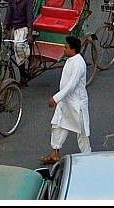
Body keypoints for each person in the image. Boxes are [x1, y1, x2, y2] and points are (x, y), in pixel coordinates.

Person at [42, 35, 91, 164]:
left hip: (76, 103)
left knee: (82, 132)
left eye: (66, 47)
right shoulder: (70, 59)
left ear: (73, 49)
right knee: (57, 124)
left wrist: (56, 98)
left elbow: (71, 85)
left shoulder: (79, 63)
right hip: (65, 101)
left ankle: (88, 156)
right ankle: (55, 153)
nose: (64, 49)